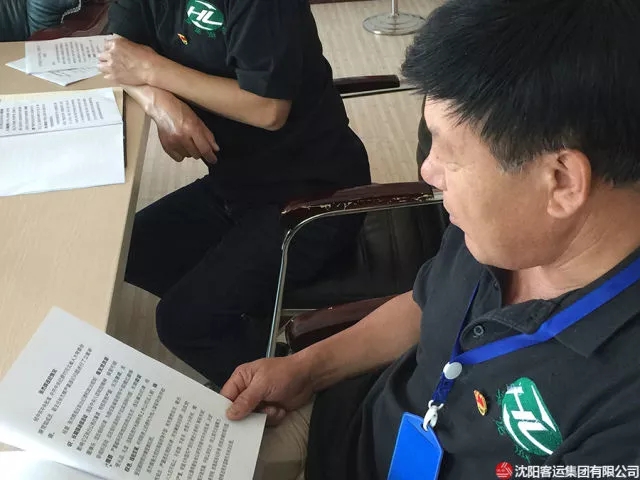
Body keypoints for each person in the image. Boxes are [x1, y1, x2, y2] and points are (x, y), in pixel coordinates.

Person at [219, 0, 640, 478]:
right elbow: (429, 303)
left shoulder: (625, 416)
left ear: (561, 182)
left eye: (450, 155)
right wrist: (308, 369)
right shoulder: (498, 228)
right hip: (351, 427)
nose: (427, 171)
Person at [98, 0, 371, 387]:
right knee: (128, 249)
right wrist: (158, 102)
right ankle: (254, 323)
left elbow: (268, 108)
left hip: (313, 194)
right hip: (235, 183)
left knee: (182, 323)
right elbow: (117, 57)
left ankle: (295, 386)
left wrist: (153, 69)